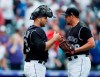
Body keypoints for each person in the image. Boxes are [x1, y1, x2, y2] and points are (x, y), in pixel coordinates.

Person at [23, 5, 61, 77]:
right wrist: (54, 39)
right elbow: (42, 47)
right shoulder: (38, 30)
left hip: (30, 65)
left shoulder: (28, 31)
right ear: (39, 19)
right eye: (45, 18)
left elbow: (24, 51)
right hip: (35, 66)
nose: (46, 20)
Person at [62, 7, 95, 77]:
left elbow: (92, 43)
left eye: (66, 16)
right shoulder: (71, 29)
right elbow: (72, 46)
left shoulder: (82, 28)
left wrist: (75, 50)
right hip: (72, 62)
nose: (65, 18)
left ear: (72, 16)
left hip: (80, 60)